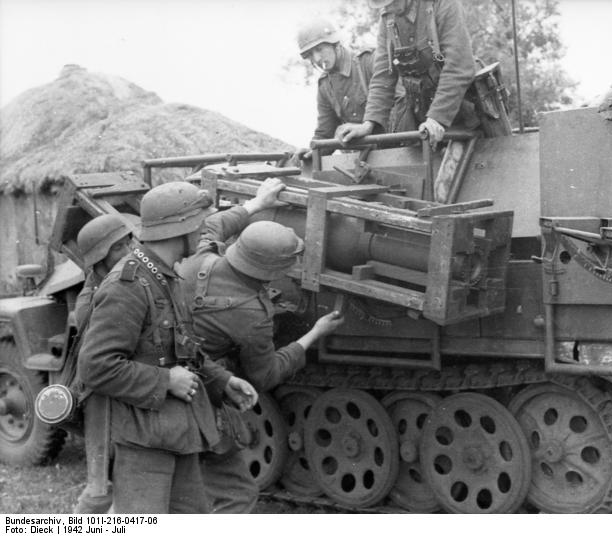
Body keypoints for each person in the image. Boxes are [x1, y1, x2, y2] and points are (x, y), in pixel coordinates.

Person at [77, 181, 259, 514]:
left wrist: (222, 381)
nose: (204, 231)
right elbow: (96, 366)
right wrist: (166, 381)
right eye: (200, 224)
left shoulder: (163, 277)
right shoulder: (128, 285)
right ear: (183, 227)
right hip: (143, 444)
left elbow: (182, 350)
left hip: (176, 435)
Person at [176, 178, 345, 513]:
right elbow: (265, 375)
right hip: (202, 389)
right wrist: (314, 334)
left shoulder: (202, 259)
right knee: (236, 493)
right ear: (273, 270)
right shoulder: (253, 317)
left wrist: (257, 202)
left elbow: (213, 223)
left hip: (173, 370)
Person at [336, 0, 478, 147]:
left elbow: (459, 66)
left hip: (462, 116)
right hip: (421, 119)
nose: (388, 7)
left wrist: (437, 118)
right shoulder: (388, 18)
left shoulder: (442, 4)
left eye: (392, 2)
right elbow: (383, 76)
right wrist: (368, 124)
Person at [72, 213, 137, 514]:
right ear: (99, 258)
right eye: (117, 248)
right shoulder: (92, 299)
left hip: (123, 387)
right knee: (100, 485)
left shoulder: (120, 280)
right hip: (100, 394)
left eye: (128, 243)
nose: (127, 252)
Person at [291, 19, 376, 165]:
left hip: (397, 150)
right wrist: (313, 150)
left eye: (319, 49)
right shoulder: (325, 85)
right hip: (361, 160)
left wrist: (368, 126)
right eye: (310, 54)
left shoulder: (368, 62)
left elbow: (398, 108)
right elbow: (325, 132)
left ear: (335, 44)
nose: (317, 58)